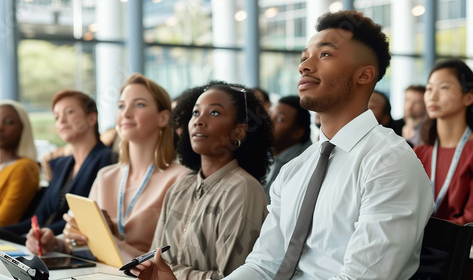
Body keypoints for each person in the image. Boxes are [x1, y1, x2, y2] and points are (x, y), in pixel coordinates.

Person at [132, 10, 434, 280]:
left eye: (325, 55)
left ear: (364, 75)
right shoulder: (296, 170)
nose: (305, 66)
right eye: (305, 57)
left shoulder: (389, 163)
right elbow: (263, 266)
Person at [25, 74, 189, 262]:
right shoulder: (105, 176)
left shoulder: (181, 180)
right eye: (121, 106)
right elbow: (81, 242)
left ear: (163, 118)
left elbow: (170, 262)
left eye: (139, 104)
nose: (126, 113)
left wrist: (107, 240)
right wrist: (54, 243)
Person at [133, 82, 273, 280]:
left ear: (238, 132)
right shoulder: (180, 186)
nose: (199, 121)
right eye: (195, 113)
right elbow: (155, 260)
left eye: (214, 113)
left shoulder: (243, 188)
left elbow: (230, 277)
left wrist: (171, 273)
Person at [0, 90, 113, 244]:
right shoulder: (61, 164)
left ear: (92, 118)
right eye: (57, 117)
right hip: (41, 243)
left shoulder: (106, 160)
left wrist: (40, 235)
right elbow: (40, 217)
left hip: (70, 246)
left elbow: (86, 220)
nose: (61, 121)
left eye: (69, 112)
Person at [414, 59, 473, 225]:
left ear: (468, 97)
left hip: (461, 247)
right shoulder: (418, 153)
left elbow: (470, 220)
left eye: (444, 88)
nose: (433, 96)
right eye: (429, 88)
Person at [263, 95, 311, 202]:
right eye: (269, 115)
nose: (268, 123)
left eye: (279, 119)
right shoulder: (269, 154)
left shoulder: (302, 166)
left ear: (297, 132)